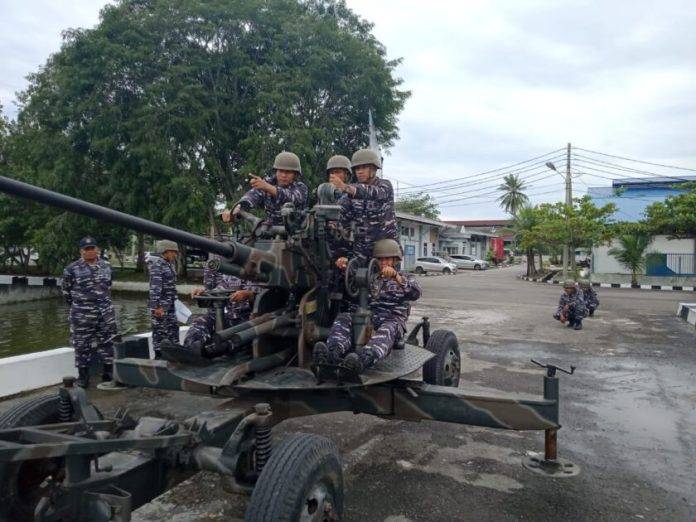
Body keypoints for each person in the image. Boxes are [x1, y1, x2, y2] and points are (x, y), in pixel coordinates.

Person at [313, 239, 421, 374]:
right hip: (366, 319)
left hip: (391, 321)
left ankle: (363, 360)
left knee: (388, 328)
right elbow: (346, 283)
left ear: (395, 260)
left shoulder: (405, 277)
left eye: (387, 259)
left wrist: (397, 277)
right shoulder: (369, 276)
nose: (384, 263)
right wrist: (344, 267)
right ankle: (332, 354)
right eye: (380, 259)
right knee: (344, 318)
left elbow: (416, 293)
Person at [61, 236, 117, 388]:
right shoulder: (71, 269)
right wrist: (80, 306)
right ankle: (83, 377)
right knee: (82, 345)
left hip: (105, 313)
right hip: (82, 314)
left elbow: (109, 285)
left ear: (97, 249)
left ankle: (108, 373)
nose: (91, 251)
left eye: (93, 248)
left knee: (107, 343)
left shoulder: (106, 266)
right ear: (81, 251)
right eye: (87, 249)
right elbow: (66, 292)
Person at [330, 148, 400, 269]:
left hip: (385, 249)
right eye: (357, 168)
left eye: (364, 168)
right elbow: (340, 215)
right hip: (361, 250)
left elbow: (372, 193)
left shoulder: (385, 185)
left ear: (373, 169)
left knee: (389, 283)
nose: (360, 172)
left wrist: (345, 187)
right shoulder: (350, 194)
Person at [182, 262, 257, 353]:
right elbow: (218, 291)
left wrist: (249, 295)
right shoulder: (230, 275)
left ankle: (209, 352)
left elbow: (266, 297)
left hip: (247, 318)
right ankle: (189, 348)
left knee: (239, 337)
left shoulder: (260, 276)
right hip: (228, 316)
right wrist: (204, 293)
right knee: (199, 323)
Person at [220, 151, 308, 227]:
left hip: (297, 236)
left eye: (288, 172)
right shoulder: (267, 183)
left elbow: (290, 197)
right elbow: (251, 196)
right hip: (270, 233)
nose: (283, 175)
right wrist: (237, 209)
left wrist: (266, 187)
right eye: (281, 171)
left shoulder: (301, 188)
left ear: (295, 174)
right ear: (276, 171)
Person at [148, 240, 180, 356]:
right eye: (173, 252)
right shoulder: (158, 265)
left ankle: (173, 355)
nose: (175, 255)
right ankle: (159, 356)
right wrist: (156, 306)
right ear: (165, 251)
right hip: (161, 306)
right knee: (160, 332)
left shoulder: (168, 264)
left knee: (173, 330)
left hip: (170, 304)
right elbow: (155, 287)